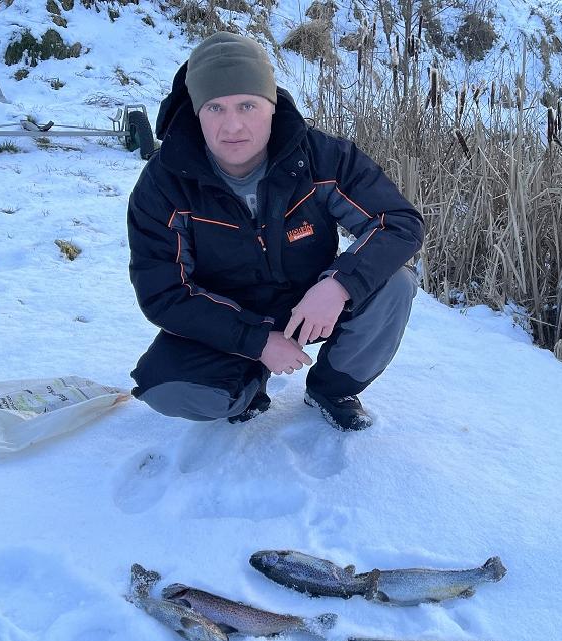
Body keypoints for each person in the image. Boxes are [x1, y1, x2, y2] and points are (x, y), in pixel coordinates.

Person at [127, 32, 424, 431]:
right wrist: (258, 342)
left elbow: (399, 222)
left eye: (247, 105)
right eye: (215, 107)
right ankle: (247, 384)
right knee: (165, 388)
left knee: (396, 284)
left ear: (271, 104)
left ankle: (332, 389)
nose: (232, 125)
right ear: (196, 112)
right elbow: (163, 292)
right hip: (227, 318)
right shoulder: (164, 183)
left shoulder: (321, 156)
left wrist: (338, 286)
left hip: (312, 306)